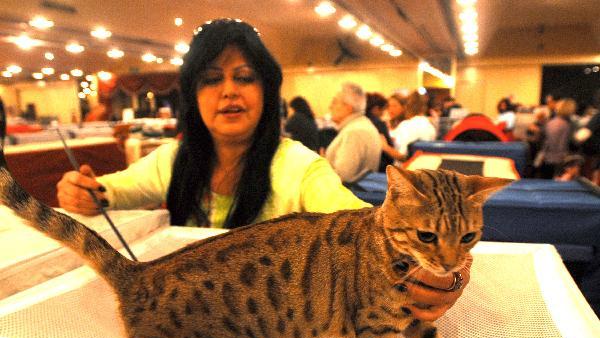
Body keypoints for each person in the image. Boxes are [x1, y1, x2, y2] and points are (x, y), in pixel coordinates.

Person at [56, 18, 466, 321]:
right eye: (212, 79)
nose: (229, 90)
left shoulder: (300, 167)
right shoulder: (172, 160)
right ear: (193, 95)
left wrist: (448, 265)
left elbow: (364, 225)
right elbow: (111, 190)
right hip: (190, 324)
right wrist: (83, 190)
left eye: (245, 77)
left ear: (267, 93)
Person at [325, 82, 382, 183]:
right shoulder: (362, 125)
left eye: (334, 102)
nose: (329, 106)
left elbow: (342, 177)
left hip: (346, 196)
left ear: (348, 107)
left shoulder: (354, 132)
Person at [537, 98, 577, 179]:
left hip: (547, 159)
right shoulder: (569, 125)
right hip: (561, 161)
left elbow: (542, 141)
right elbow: (571, 144)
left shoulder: (550, 123)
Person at [390, 91, 437, 158]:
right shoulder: (430, 126)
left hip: (406, 167)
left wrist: (384, 146)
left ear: (407, 107)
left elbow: (402, 156)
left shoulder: (407, 125)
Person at [365, 92, 393, 171]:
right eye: (384, 109)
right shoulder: (379, 123)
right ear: (376, 109)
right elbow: (388, 149)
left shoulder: (359, 122)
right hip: (381, 168)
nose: (384, 113)